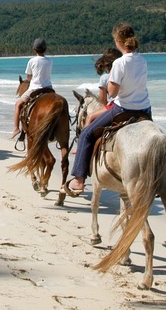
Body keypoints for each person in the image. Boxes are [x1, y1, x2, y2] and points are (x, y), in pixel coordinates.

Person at [64, 24, 152, 196]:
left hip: (124, 109)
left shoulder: (119, 63)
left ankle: (79, 180)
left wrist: (112, 80)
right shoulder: (142, 60)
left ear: (119, 41)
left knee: (87, 133)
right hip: (145, 109)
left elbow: (112, 92)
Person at [11, 38, 53, 138]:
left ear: (34, 49)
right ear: (45, 49)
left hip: (35, 89)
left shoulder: (32, 61)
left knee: (18, 104)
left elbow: (28, 78)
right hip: (49, 88)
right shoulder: (50, 60)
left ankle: (16, 128)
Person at [86, 47, 121, 126]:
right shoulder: (125, 75)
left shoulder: (105, 78)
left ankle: (82, 138)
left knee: (89, 117)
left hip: (114, 106)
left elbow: (103, 101)